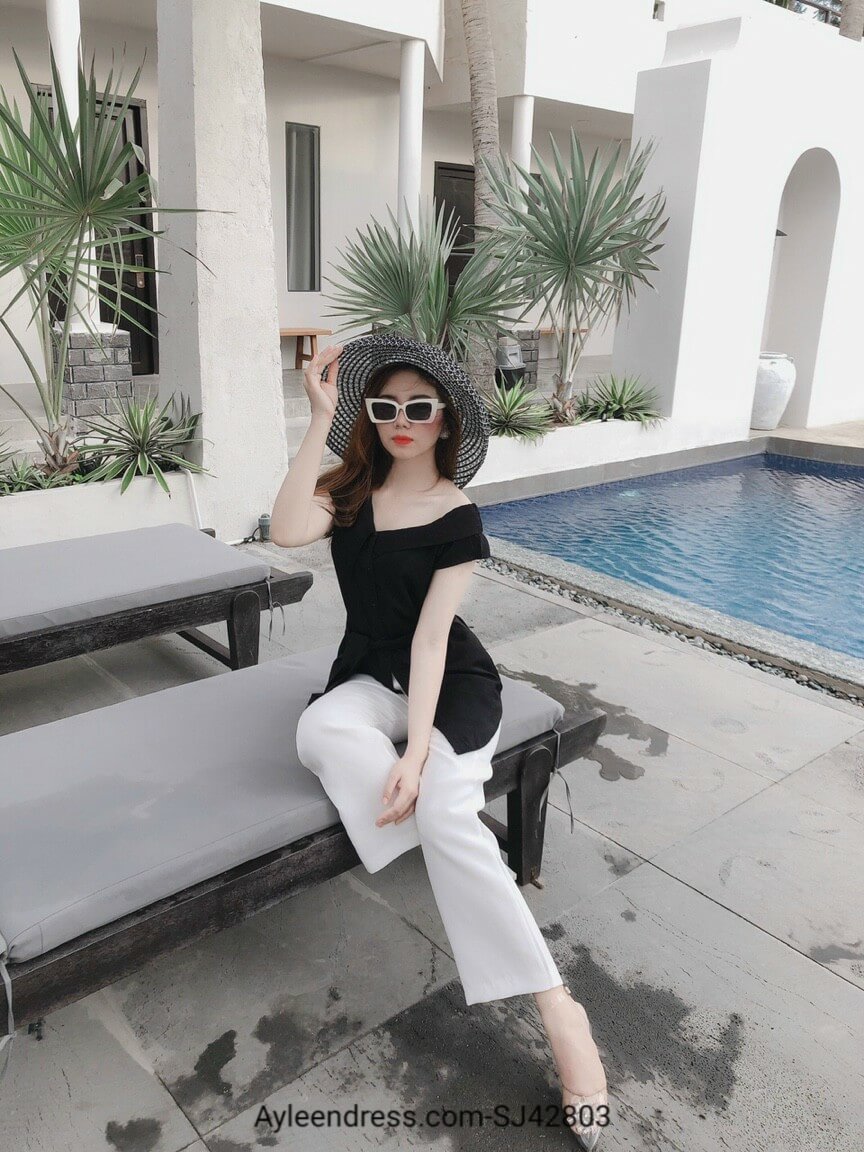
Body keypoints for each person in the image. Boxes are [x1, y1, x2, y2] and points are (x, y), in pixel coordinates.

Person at [270, 332, 610, 1149]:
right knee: (320, 728)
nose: (401, 421)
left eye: (419, 409)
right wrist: (317, 418)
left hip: (450, 682)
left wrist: (418, 755)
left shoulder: (458, 515)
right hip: (368, 673)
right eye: (385, 407)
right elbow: (283, 530)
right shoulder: (349, 490)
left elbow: (430, 642)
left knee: (448, 808)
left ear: (446, 419)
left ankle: (557, 1007)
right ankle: (434, 838)